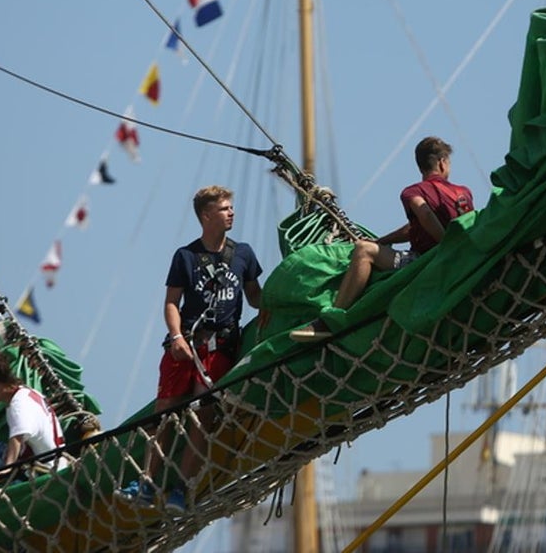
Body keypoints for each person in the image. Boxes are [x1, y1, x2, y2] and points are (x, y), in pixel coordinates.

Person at [116, 185, 263, 513]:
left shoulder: (244, 254)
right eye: (224, 208)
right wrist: (176, 335)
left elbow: (255, 295)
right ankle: (147, 482)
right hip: (186, 342)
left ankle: (179, 489)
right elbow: (171, 302)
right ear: (207, 215)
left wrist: (276, 303)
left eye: (231, 207)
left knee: (202, 416)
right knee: (164, 416)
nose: (231, 212)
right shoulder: (185, 256)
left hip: (220, 345)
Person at [291, 136, 473, 342]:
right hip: (463, 256)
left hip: (422, 259)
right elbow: (423, 224)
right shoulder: (462, 193)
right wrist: (382, 241)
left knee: (363, 250)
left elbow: (426, 215)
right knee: (371, 246)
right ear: (442, 162)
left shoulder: (413, 192)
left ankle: (331, 321)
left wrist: (444, 245)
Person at [0, 349, 69, 483]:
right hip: (55, 462)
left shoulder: (19, 404)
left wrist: (6, 469)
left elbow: (17, 439)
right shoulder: (27, 393)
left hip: (46, 472)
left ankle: (6, 488)